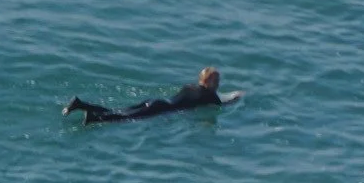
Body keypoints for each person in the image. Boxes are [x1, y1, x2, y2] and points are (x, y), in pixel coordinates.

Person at [66, 68, 238, 124]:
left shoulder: (190, 86)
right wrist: (238, 97)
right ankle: (93, 118)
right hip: (161, 109)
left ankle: (82, 105)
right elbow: (223, 103)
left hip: (156, 102)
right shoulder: (209, 96)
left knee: (119, 111)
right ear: (211, 82)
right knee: (123, 118)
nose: (219, 83)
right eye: (217, 80)